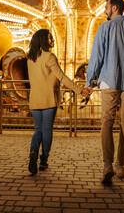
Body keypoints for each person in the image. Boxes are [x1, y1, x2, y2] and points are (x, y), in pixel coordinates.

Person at [85, 0, 124, 184]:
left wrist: (89, 81)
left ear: (114, 7)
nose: (105, 11)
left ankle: (107, 164)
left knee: (107, 120)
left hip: (108, 81)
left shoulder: (105, 28)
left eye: (106, 8)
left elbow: (97, 57)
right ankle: (120, 165)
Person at [27, 29, 92, 175]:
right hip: (49, 98)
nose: (52, 40)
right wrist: (80, 90)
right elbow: (61, 77)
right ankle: (43, 161)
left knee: (38, 130)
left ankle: (33, 152)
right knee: (47, 130)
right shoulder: (49, 56)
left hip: (35, 99)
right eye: (50, 38)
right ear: (44, 39)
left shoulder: (30, 58)